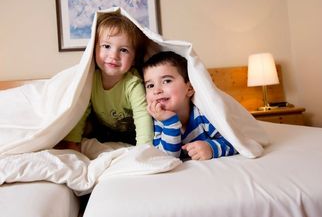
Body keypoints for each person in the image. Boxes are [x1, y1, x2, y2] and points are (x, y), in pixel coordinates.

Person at [61, 12, 154, 152]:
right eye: (106, 46)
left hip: (132, 133)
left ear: (134, 59)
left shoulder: (133, 84)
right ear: (94, 49)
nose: (113, 55)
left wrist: (144, 149)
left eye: (123, 50)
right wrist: (73, 142)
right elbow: (80, 111)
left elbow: (142, 117)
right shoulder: (91, 79)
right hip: (104, 130)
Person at [142, 51, 238, 160]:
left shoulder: (203, 116)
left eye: (166, 81)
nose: (157, 90)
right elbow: (166, 157)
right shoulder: (158, 121)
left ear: (189, 88)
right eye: (150, 85)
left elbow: (236, 141)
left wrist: (211, 148)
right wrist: (169, 123)